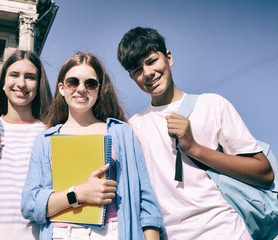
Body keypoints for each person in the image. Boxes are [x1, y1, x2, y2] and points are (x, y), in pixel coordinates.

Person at [117, 27, 274, 240]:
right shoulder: (133, 127)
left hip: (226, 229)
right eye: (137, 70)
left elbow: (264, 173)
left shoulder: (212, 104)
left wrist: (194, 148)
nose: (147, 73)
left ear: (169, 58)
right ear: (131, 77)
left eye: (152, 61)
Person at [21, 52, 165, 240]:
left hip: (114, 232)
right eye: (73, 82)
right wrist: (78, 193)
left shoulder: (122, 133)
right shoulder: (45, 140)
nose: (82, 89)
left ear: (99, 89)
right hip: (61, 234)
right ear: (62, 88)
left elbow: (146, 202)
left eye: (90, 83)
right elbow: (30, 205)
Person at [0, 50, 52, 240]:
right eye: (14, 75)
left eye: (30, 77)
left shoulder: (50, 134)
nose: (21, 83)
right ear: (3, 83)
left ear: (39, 85)